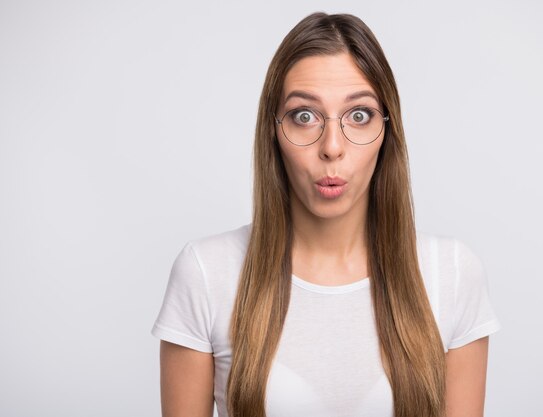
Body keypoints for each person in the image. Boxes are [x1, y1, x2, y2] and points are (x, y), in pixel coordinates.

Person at [151, 12, 501, 417]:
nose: (332, 147)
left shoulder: (452, 273)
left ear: (388, 130)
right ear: (273, 129)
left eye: (358, 115)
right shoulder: (206, 273)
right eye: (305, 116)